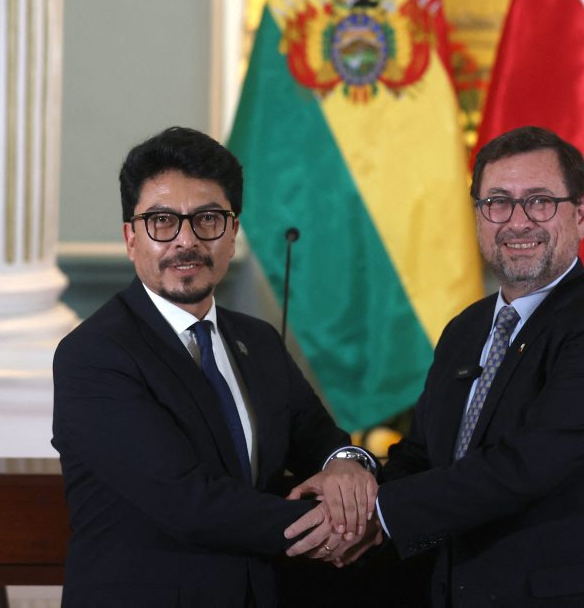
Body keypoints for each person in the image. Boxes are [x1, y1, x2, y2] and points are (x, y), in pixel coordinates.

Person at [287, 126, 584, 605]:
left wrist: (379, 513)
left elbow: (527, 466)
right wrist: (355, 486)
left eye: (539, 201)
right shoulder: (465, 330)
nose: (517, 222)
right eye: (497, 202)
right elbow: (422, 458)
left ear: (581, 214)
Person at [51, 126, 377, 607]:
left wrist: (349, 465)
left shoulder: (258, 341)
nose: (186, 241)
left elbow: (321, 441)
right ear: (130, 238)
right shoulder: (94, 354)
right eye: (162, 221)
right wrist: (346, 524)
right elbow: (187, 503)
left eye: (207, 219)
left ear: (233, 232)